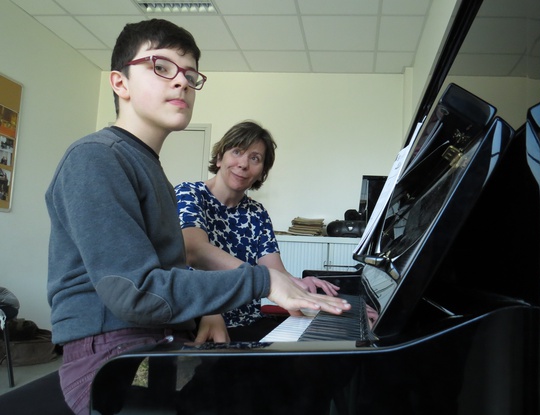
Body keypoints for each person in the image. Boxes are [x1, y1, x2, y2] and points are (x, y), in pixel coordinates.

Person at [44, 19, 349, 415]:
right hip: (112, 360)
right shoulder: (96, 157)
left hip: (160, 345)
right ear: (120, 83)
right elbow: (136, 292)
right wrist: (263, 281)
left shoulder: (146, 168)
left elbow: (172, 275)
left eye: (190, 74)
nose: (181, 82)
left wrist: (296, 288)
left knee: (293, 383)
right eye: (161, 67)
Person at [175, 121, 340, 342]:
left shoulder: (257, 212)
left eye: (255, 158)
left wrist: (303, 289)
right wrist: (212, 309)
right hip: (198, 316)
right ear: (219, 158)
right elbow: (194, 251)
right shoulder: (189, 194)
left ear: (261, 172)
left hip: (248, 321)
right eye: (237, 152)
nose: (243, 164)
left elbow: (275, 272)